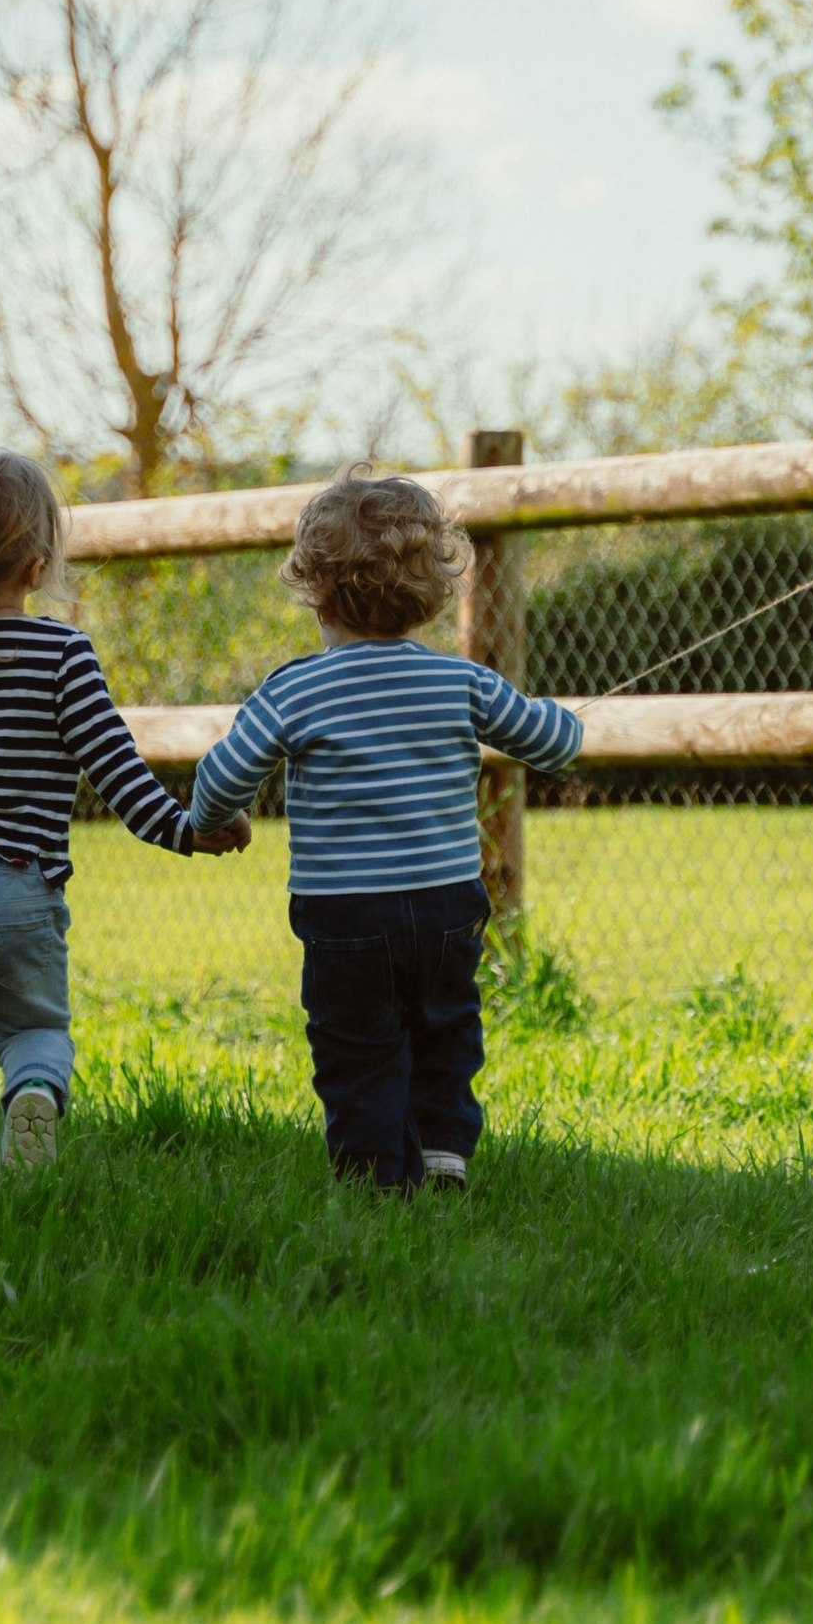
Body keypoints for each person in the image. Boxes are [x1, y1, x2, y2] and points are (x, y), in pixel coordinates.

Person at [188, 468, 583, 1192]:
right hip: (446, 907)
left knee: (356, 1046)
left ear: (316, 588)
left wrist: (217, 822)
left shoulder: (294, 689)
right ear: (431, 591)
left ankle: (373, 1179)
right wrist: (567, 715)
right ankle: (442, 1154)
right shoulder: (460, 681)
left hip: (346, 915)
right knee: (447, 1029)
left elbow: (219, 778)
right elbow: (554, 743)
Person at [0, 447, 250, 1176]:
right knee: (35, 1026)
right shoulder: (62, 653)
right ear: (36, 564)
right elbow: (120, 777)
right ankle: (33, 1091)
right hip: (17, 887)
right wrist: (190, 830)